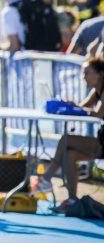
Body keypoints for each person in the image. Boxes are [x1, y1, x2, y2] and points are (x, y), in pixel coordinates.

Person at [36, 56, 104, 213]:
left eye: (87, 73)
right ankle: (72, 199)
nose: (83, 77)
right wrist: (71, 106)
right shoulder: (96, 91)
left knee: (66, 139)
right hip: (101, 139)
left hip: (102, 142)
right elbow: (82, 108)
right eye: (82, 73)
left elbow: (98, 115)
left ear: (100, 74)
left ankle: (47, 177)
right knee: (69, 154)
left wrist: (81, 110)